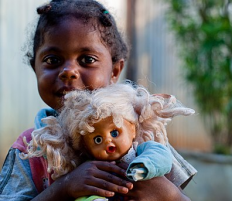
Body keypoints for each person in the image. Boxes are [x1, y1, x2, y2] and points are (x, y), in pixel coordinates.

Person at [0, 0, 197, 200]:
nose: (69, 71)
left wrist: (170, 195)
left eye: (87, 59)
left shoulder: (142, 132)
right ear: (36, 69)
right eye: (52, 60)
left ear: (115, 71)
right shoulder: (30, 149)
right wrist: (62, 188)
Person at [21, 82, 195, 201]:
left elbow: (159, 157)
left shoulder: (148, 143)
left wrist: (170, 195)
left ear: (132, 128)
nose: (108, 141)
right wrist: (65, 187)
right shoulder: (84, 170)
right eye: (97, 139)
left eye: (114, 132)